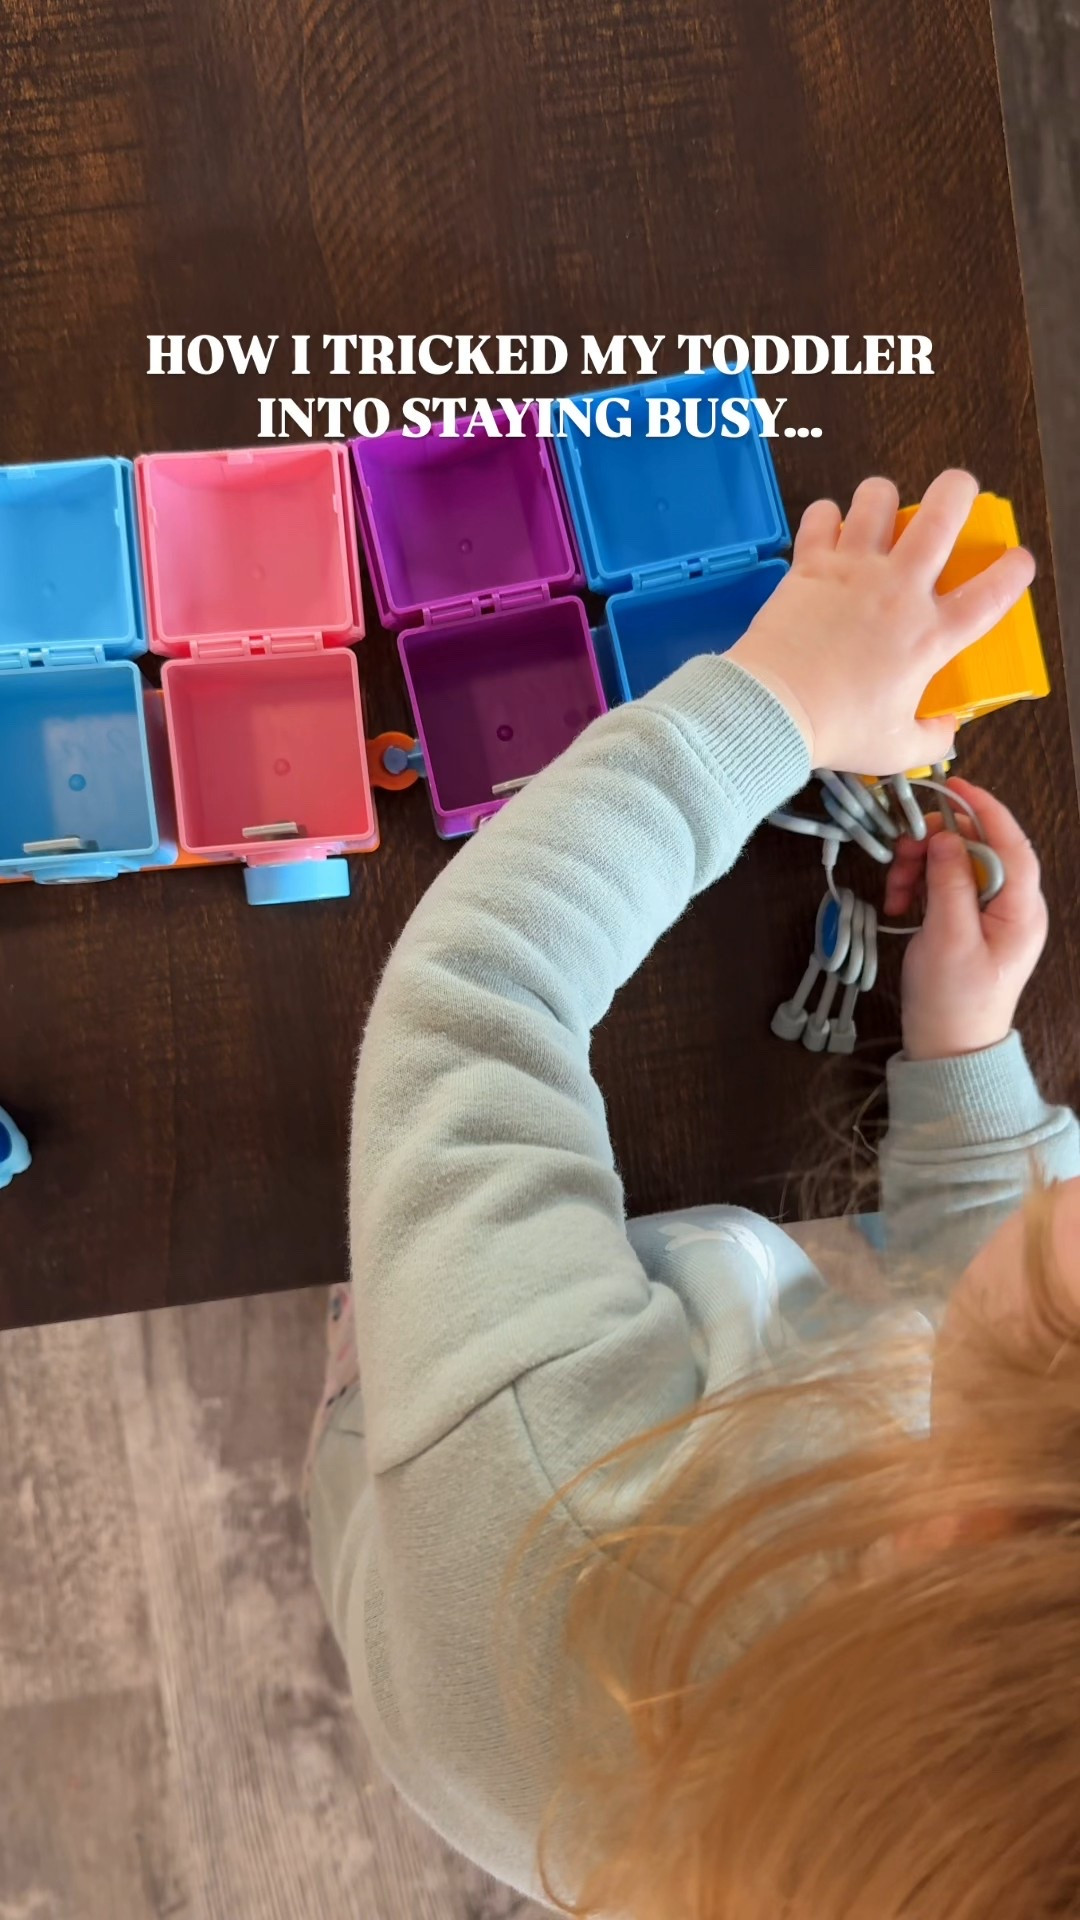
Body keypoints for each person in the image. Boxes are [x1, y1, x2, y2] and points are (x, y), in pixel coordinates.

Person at [305, 469, 1080, 1918]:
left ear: (957, 1526)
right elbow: (1010, 1343)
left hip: (474, 1473)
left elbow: (473, 1014)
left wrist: (771, 703)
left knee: (421, 1281)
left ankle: (368, 1386)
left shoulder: (574, 1502)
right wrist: (970, 1063)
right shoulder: (939, 1740)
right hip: (575, 1696)